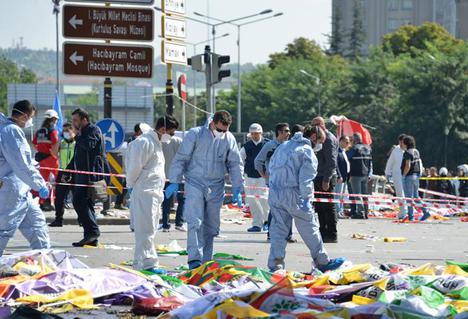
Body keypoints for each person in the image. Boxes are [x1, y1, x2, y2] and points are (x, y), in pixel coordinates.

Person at [167, 110, 244, 269]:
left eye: (226, 130)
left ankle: (206, 261)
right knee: (195, 221)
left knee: (211, 225)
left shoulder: (228, 138)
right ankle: (194, 259)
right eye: (220, 129)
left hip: (216, 185)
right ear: (213, 123)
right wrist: (174, 181)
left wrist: (238, 186)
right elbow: (181, 158)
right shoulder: (195, 134)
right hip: (195, 182)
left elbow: (235, 164)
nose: (222, 133)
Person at [267, 124, 345, 273]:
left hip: (275, 193)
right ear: (314, 137)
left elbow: (271, 167)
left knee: (278, 229)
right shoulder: (307, 152)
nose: (320, 146)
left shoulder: (284, 146)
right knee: (310, 228)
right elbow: (305, 180)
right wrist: (307, 199)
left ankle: (275, 265)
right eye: (321, 141)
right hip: (294, 195)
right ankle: (322, 261)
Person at [0, 100, 50, 256]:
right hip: (12, 190)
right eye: (31, 117)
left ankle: (46, 262)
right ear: (24, 116)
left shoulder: (5, 129)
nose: (30, 121)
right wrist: (39, 184)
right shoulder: (12, 131)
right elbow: (22, 164)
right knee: (4, 230)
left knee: (37, 225)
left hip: (21, 190)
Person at [125, 117, 169, 271]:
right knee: (145, 230)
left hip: (153, 192)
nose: (171, 135)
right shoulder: (144, 142)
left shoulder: (156, 143)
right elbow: (134, 167)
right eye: (170, 132)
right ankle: (146, 264)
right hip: (145, 191)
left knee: (150, 229)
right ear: (163, 130)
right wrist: (130, 184)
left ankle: (142, 262)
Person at [65, 108, 108, 247]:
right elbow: (78, 155)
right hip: (81, 174)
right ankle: (90, 237)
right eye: (73, 120)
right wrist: (68, 171)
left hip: (90, 173)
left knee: (79, 201)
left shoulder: (92, 130)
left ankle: (93, 232)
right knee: (86, 204)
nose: (74, 123)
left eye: (76, 120)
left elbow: (89, 146)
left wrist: (76, 136)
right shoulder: (83, 133)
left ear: (84, 119)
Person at [254, 123, 293, 241]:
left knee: (288, 209)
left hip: (287, 182)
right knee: (275, 208)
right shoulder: (270, 145)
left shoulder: (289, 146)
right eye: (286, 131)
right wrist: (265, 176)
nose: (288, 133)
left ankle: (288, 234)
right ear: (279, 133)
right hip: (275, 183)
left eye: (289, 131)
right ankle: (271, 233)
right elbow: (258, 161)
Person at [311, 117, 339, 243]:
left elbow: (331, 162)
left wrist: (327, 179)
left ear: (323, 124)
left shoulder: (327, 139)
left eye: (318, 124)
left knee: (328, 206)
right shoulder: (319, 138)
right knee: (320, 206)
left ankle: (331, 234)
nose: (315, 127)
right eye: (313, 125)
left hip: (325, 176)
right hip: (318, 176)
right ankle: (323, 232)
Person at [240, 123, 269, 232]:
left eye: (256, 133)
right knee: (252, 201)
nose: (254, 136)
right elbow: (240, 161)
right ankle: (257, 224)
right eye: (252, 134)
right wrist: (241, 175)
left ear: (260, 133)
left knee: (264, 200)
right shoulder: (246, 146)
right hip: (249, 176)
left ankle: (267, 222)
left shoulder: (267, 144)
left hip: (263, 177)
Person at [160, 116, 186, 232]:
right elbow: (184, 159)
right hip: (179, 176)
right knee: (182, 200)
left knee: (165, 201)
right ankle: (179, 223)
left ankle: (165, 225)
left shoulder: (159, 141)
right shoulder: (179, 141)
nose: (174, 131)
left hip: (164, 176)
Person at [49, 123, 76, 227]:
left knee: (78, 198)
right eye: (63, 131)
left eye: (67, 131)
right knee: (59, 198)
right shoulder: (62, 143)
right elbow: (54, 153)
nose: (65, 133)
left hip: (75, 173)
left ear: (73, 131)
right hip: (62, 172)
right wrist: (58, 142)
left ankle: (82, 220)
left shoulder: (77, 143)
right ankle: (58, 220)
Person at [32, 109, 60, 211]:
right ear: (53, 119)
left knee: (43, 182)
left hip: (42, 159)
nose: (56, 121)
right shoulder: (52, 130)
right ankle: (56, 202)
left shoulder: (39, 131)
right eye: (56, 119)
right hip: (51, 158)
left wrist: (40, 149)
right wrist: (54, 154)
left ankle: (43, 202)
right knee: (58, 181)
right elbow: (56, 143)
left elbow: (34, 143)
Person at [401, 135, 430, 221]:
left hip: (409, 176)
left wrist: (403, 175)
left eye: (403, 143)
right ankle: (426, 211)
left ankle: (411, 216)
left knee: (409, 197)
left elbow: (408, 165)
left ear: (406, 143)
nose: (401, 144)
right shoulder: (416, 151)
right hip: (416, 176)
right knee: (416, 197)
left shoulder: (407, 153)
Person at [347, 133, 373, 219]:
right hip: (365, 174)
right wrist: (369, 174)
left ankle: (360, 212)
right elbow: (371, 163)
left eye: (351, 140)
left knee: (357, 194)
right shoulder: (368, 148)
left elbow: (347, 157)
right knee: (364, 194)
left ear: (354, 140)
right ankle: (366, 212)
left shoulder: (354, 148)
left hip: (356, 174)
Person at [384, 134, 406, 215]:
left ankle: (408, 211)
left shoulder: (409, 149)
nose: (401, 144)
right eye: (399, 142)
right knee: (400, 193)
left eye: (402, 142)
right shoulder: (395, 150)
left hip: (406, 175)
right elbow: (390, 162)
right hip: (396, 174)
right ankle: (402, 212)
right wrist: (387, 173)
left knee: (407, 193)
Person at [335, 135, 350, 218]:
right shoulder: (337, 151)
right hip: (339, 177)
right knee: (337, 195)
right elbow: (336, 164)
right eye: (346, 142)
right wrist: (339, 175)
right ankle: (337, 212)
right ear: (340, 141)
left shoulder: (344, 151)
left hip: (345, 177)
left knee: (342, 195)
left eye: (348, 142)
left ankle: (340, 211)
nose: (348, 144)